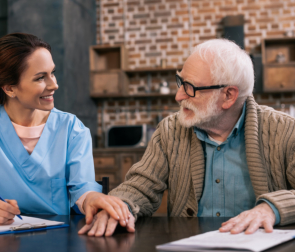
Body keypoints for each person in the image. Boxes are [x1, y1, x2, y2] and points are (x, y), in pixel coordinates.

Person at [79, 39, 295, 237]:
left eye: (190, 87)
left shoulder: (285, 131)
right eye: (180, 82)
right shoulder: (169, 131)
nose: (179, 95)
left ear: (229, 95)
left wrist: (272, 208)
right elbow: (140, 186)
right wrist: (119, 207)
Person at [0, 33, 128, 226]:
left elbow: (82, 189)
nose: (54, 84)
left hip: (55, 240)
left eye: (52, 73)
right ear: (10, 88)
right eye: (40, 78)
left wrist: (92, 198)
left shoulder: (72, 129)